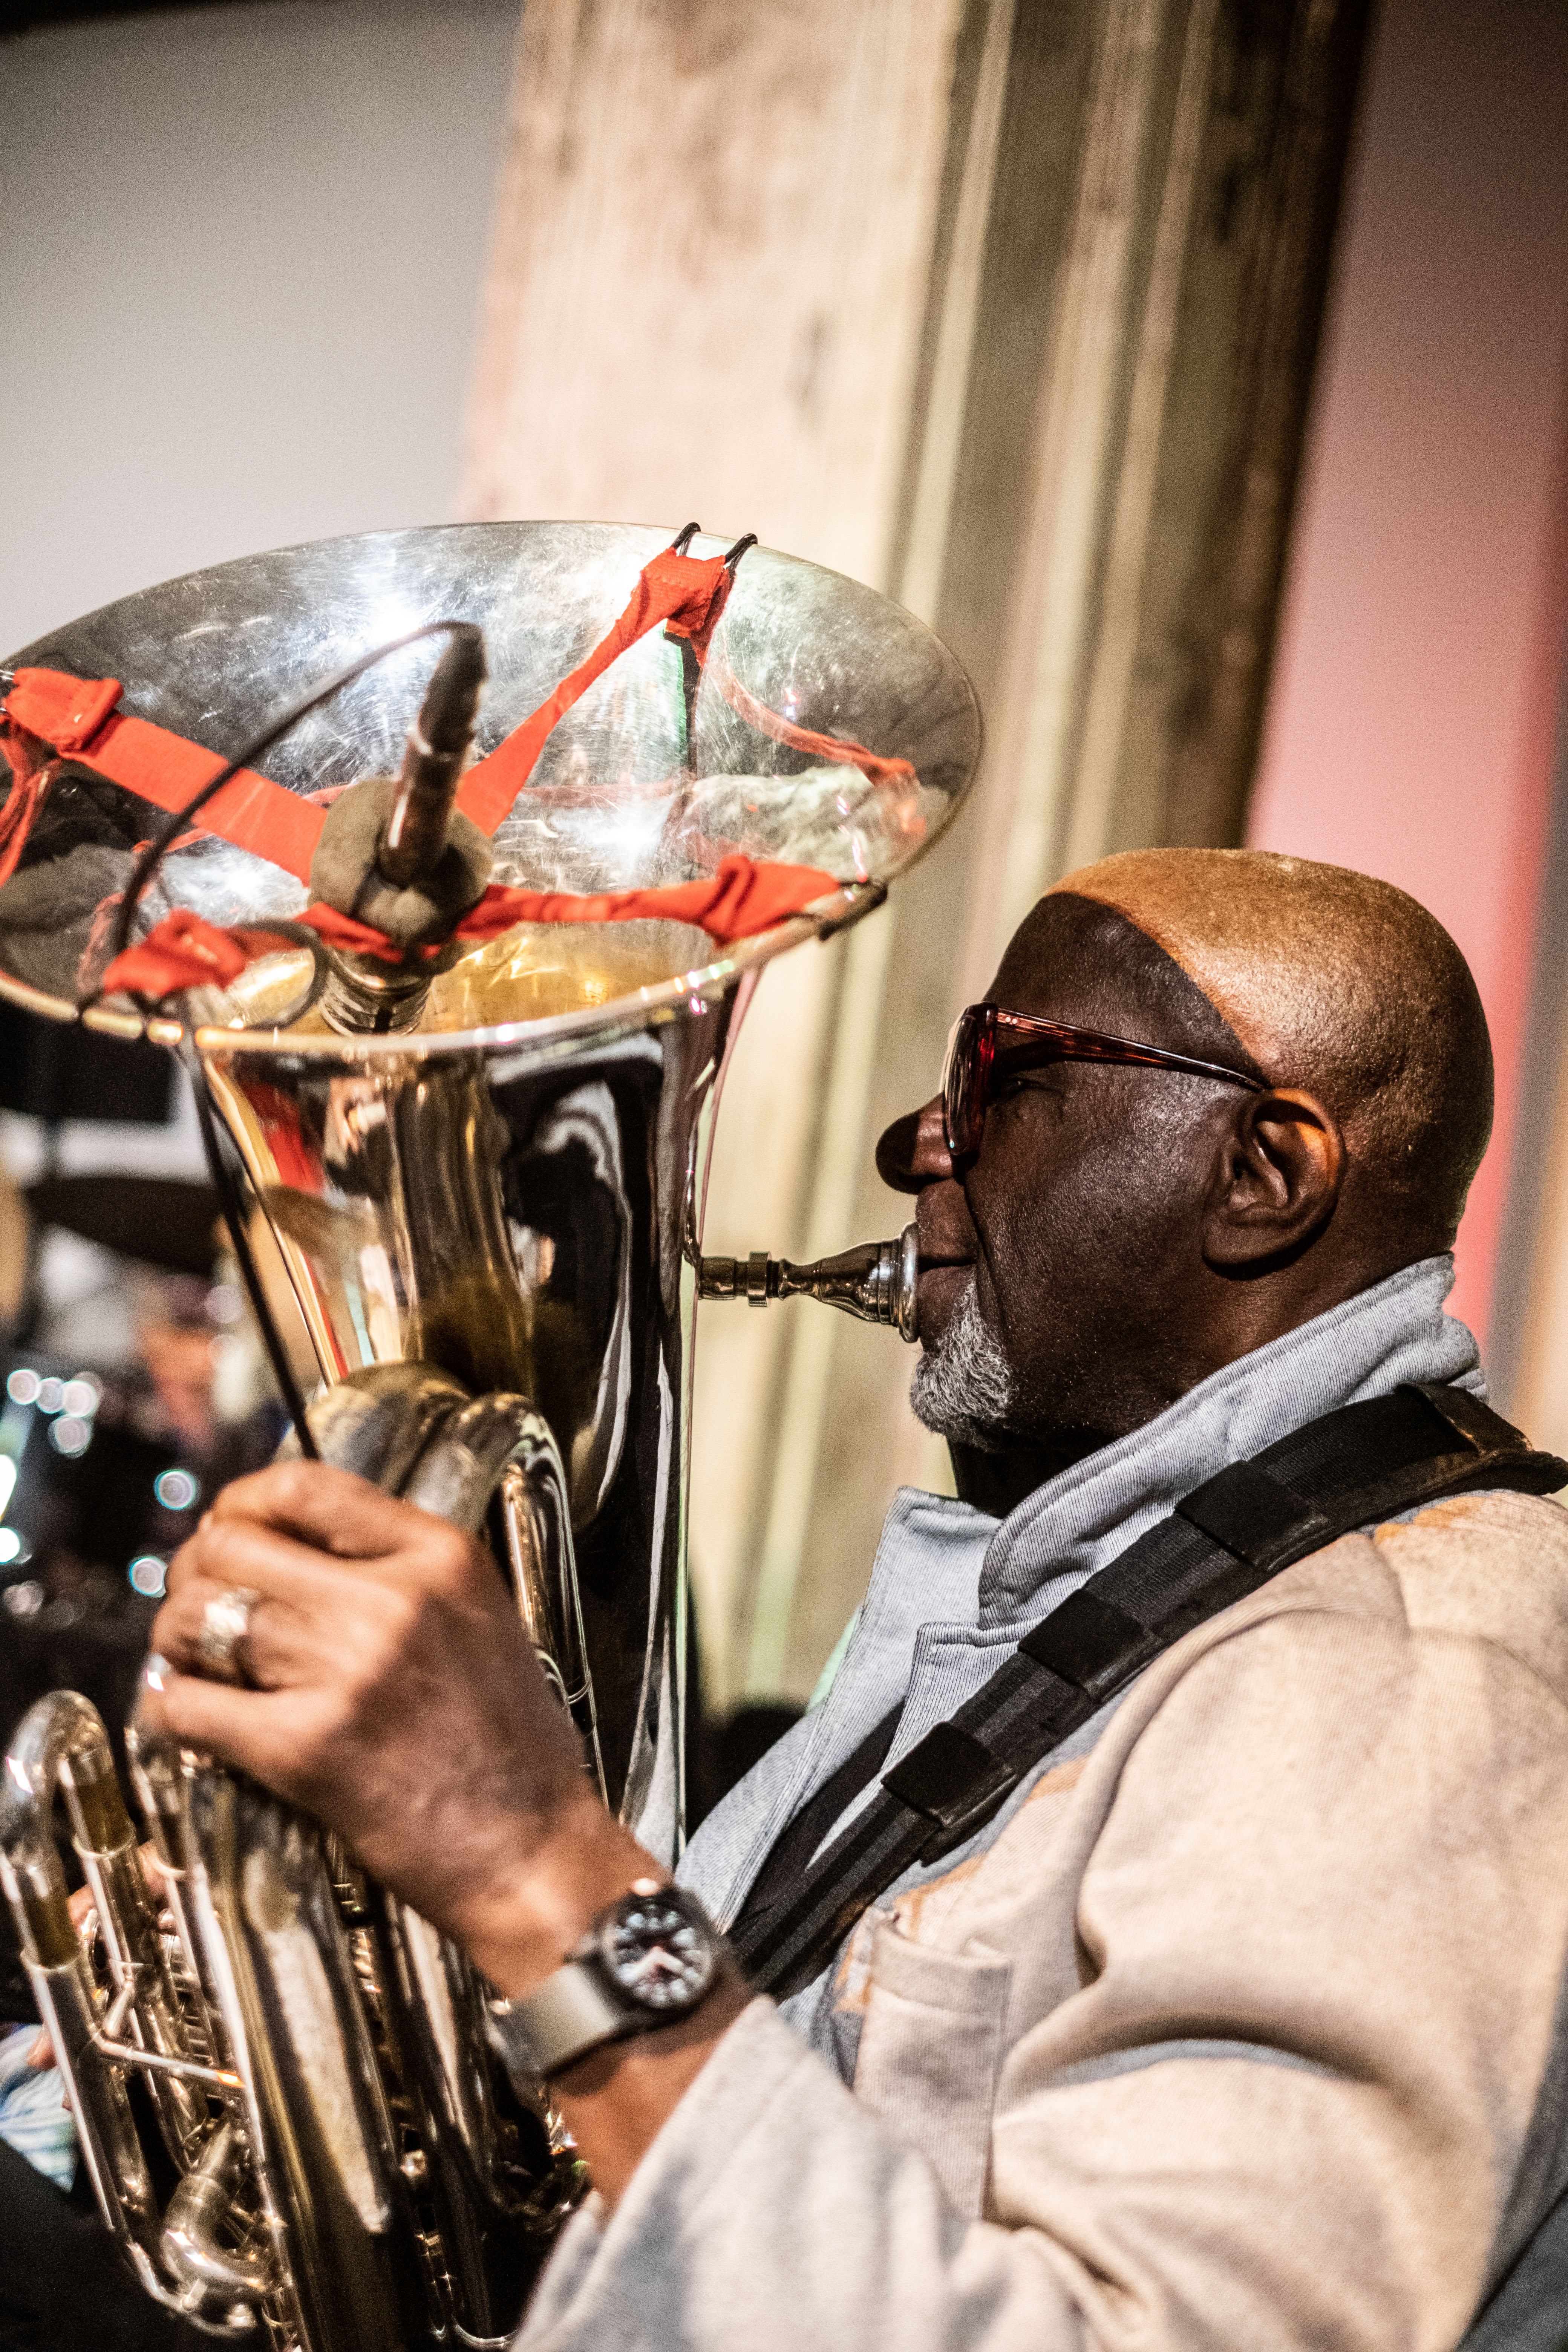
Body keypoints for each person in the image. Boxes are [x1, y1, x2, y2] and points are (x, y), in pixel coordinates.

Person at [141, 848, 1568, 2350]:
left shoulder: (1395, 1677)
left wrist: (531, 1865)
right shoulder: (1134, 1590)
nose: (915, 1142)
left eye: (1004, 1072)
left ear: (1259, 1176)